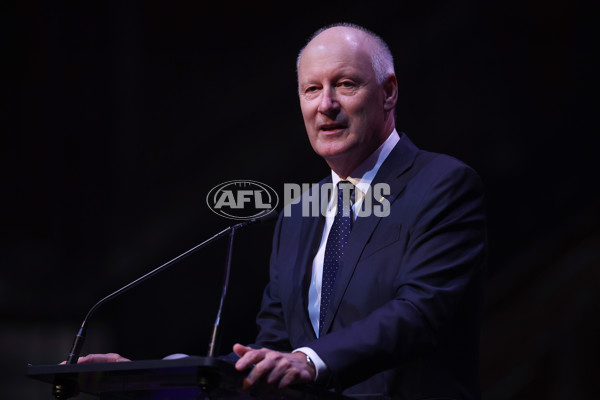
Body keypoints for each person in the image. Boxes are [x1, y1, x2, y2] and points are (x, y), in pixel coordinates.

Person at [75, 23, 487, 400]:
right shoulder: (299, 212)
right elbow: (271, 355)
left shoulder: (442, 184)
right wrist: (152, 379)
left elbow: (418, 312)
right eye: (311, 90)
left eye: (345, 84)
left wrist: (309, 359)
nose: (326, 105)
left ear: (389, 91)